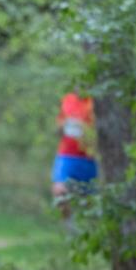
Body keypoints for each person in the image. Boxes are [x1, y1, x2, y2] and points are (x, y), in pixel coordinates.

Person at [50, 92, 97, 225]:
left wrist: (86, 129)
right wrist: (63, 126)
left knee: (90, 199)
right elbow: (58, 126)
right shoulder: (67, 99)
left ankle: (89, 231)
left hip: (88, 158)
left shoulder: (94, 101)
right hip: (66, 155)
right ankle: (68, 227)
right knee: (60, 191)